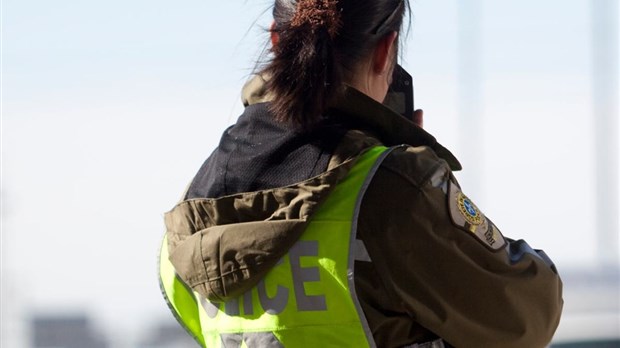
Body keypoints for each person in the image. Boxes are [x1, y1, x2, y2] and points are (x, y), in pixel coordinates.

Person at [159, 0, 563, 347]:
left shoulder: (190, 210)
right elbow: (529, 315)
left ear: (275, 39)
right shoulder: (395, 190)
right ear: (385, 51)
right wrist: (418, 179)